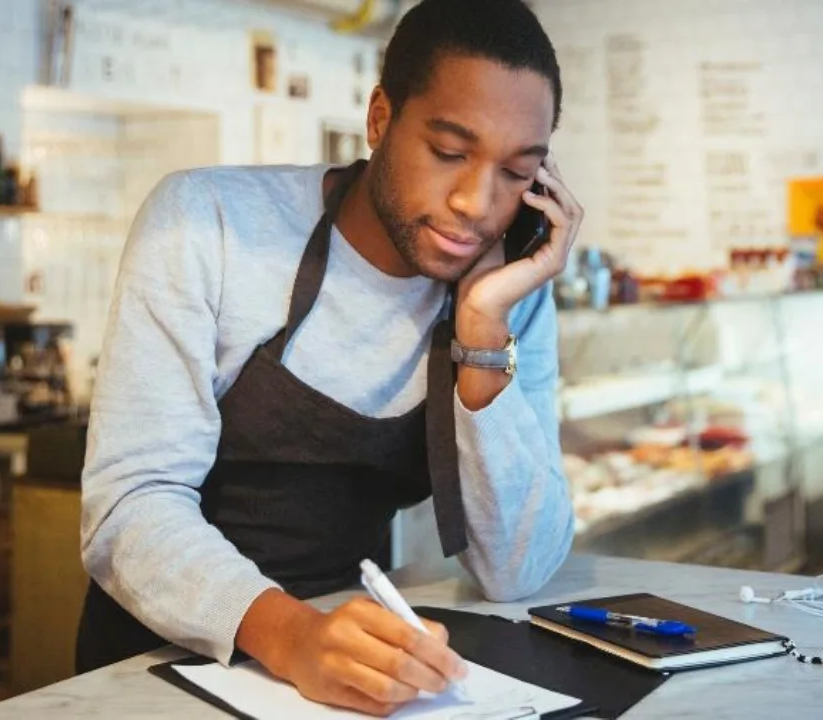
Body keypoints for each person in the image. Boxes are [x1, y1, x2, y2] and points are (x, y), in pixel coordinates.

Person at [75, 0, 582, 715]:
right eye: (449, 152)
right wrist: (294, 638)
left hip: (346, 669)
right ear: (380, 119)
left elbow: (515, 569)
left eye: (516, 172)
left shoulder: (507, 291)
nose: (477, 203)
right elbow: (129, 506)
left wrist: (481, 332)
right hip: (155, 667)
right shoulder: (207, 223)